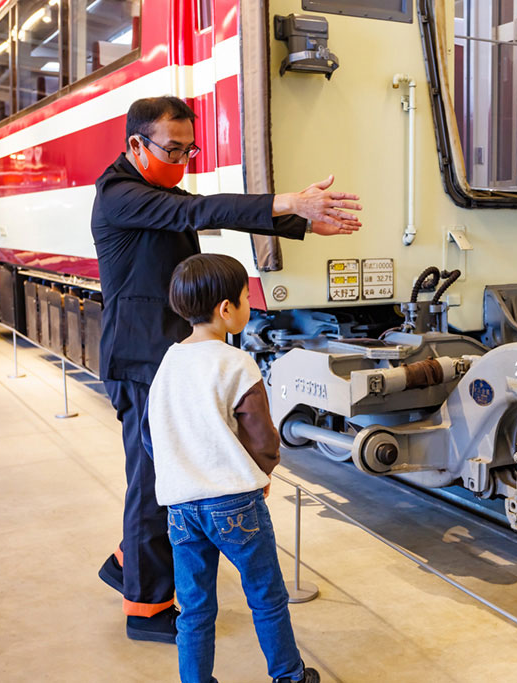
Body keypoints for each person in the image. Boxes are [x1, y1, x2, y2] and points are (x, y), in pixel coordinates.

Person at [91, 95, 361, 643]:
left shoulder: (153, 189)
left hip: (170, 361)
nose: (184, 159)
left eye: (190, 148)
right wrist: (288, 200)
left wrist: (300, 223)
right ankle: (146, 611)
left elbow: (203, 210)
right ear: (134, 144)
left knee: (164, 476)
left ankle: (129, 562)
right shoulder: (119, 195)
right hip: (142, 361)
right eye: (173, 148)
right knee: (153, 485)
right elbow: (199, 212)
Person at [143, 253, 317, 683]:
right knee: (266, 597)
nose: (249, 306)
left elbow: (151, 435)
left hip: (181, 506)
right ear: (226, 309)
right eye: (245, 298)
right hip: (234, 501)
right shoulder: (235, 362)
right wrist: (263, 473)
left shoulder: (168, 363)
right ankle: (289, 676)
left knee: (195, 608)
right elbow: (261, 437)